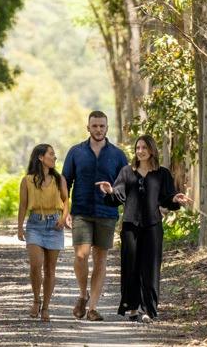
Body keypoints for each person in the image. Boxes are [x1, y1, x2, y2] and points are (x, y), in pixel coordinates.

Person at [102, 135, 188, 322]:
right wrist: (110, 191)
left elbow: (167, 197)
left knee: (150, 268)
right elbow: (118, 196)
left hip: (152, 226)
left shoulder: (162, 173)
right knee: (130, 267)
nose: (140, 151)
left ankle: (149, 309)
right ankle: (132, 308)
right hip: (130, 226)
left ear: (151, 150)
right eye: (138, 147)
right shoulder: (127, 171)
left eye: (144, 147)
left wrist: (175, 199)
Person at [61, 109, 127, 320]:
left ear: (107, 128)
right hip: (81, 211)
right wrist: (65, 210)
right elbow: (65, 181)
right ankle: (82, 295)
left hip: (107, 213)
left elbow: (126, 186)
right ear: (88, 127)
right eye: (94, 126)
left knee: (101, 260)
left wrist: (115, 194)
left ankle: (92, 308)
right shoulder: (75, 152)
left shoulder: (117, 155)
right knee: (81, 256)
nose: (98, 129)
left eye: (102, 126)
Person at [16, 143, 73, 321]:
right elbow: (23, 205)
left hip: (54, 224)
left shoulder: (59, 179)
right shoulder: (27, 180)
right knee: (35, 264)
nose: (54, 157)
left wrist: (64, 218)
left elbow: (66, 200)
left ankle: (46, 307)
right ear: (41, 157)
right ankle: (35, 299)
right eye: (51, 154)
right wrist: (19, 227)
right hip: (35, 224)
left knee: (50, 269)